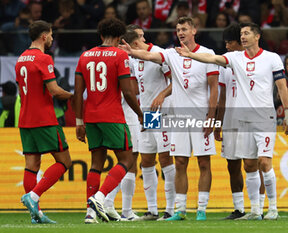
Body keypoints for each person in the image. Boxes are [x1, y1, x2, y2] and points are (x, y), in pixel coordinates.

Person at [176, 22, 288, 220]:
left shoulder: (271, 58)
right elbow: (212, 58)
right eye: (241, 34)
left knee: (264, 162)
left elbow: (282, 87)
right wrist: (191, 55)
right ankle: (255, 210)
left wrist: (287, 114)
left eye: (247, 33)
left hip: (265, 117)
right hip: (242, 119)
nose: (243, 36)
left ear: (257, 36)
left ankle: (273, 208)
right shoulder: (234, 58)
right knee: (249, 165)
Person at [120, 17, 219, 221]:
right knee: (153, 160)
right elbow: (149, 57)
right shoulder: (171, 53)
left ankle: (191, 209)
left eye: (184, 29)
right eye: (178, 29)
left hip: (173, 114)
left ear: (194, 30)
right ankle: (161, 210)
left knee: (195, 162)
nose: (180, 32)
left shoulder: (207, 53)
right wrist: (131, 53)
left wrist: (212, 115)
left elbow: (213, 87)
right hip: (155, 115)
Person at [73, 18, 143, 223]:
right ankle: (100, 198)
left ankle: (90, 213)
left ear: (101, 35)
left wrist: (79, 121)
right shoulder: (120, 55)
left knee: (96, 163)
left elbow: (78, 92)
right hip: (112, 116)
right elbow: (128, 92)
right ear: (120, 36)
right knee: (127, 159)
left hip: (91, 116)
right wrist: (140, 114)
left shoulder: (84, 56)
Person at [16, 20, 73, 224]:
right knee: (64, 162)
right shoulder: (44, 58)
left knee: (32, 165)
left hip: (25, 120)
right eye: (50, 35)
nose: (52, 38)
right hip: (44, 119)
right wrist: (75, 97)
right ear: (43, 36)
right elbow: (55, 90)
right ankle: (33, 197)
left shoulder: (21, 59)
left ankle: (36, 214)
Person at [121, 26, 176, 221]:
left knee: (166, 159)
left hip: (163, 112)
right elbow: (138, 88)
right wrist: (139, 111)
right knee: (146, 161)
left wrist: (161, 95)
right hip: (147, 115)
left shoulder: (159, 53)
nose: (145, 39)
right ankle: (152, 210)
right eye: (142, 37)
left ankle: (171, 209)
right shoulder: (135, 59)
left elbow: (175, 82)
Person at [214, 23, 266, 220]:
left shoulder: (257, 63)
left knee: (252, 163)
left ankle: (258, 208)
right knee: (232, 164)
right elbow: (223, 97)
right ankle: (238, 208)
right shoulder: (225, 64)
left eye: (230, 42)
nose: (227, 46)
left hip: (251, 118)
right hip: (230, 120)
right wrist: (219, 123)